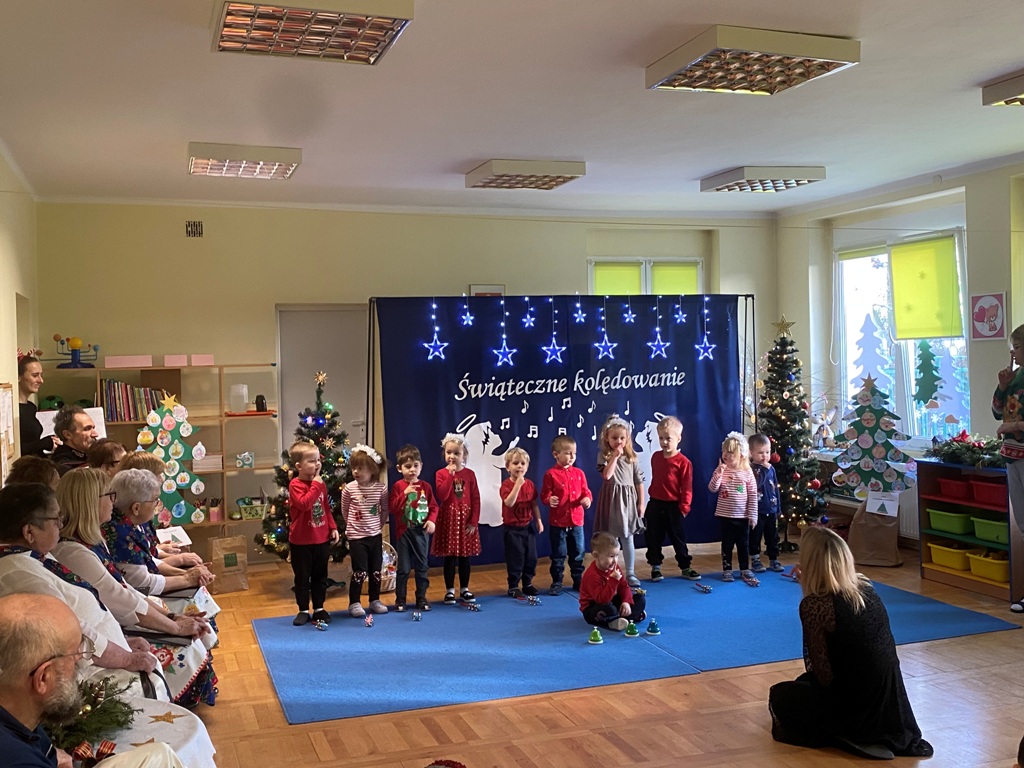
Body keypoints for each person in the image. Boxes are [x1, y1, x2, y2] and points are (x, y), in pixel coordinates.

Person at [52, 468, 217, 708]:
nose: (114, 501)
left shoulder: (91, 540)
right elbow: (121, 598)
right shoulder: (74, 551)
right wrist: (173, 624)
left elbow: (125, 587)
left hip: (116, 628)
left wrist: (172, 617)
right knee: (185, 648)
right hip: (107, 640)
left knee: (191, 629)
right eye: (109, 495)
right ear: (89, 502)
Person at [768, 525, 934, 760]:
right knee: (801, 686)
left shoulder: (815, 606)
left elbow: (822, 675)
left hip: (854, 699)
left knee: (782, 697)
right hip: (888, 699)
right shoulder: (865, 588)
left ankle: (850, 733)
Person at [0, 483, 163, 701]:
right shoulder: (18, 574)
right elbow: (73, 634)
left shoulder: (30, 557)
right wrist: (125, 658)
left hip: (105, 659)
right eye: (55, 519)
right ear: (29, 532)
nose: (60, 525)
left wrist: (121, 643)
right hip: (92, 679)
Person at [0, 593, 188, 768]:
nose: (79, 661)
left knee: (158, 754)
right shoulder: (19, 760)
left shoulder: (18, 716)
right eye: (74, 656)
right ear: (43, 678)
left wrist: (51, 754)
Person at [105, 470, 214, 595]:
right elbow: (143, 584)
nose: (157, 504)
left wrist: (187, 573)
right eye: (155, 500)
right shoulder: (121, 534)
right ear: (136, 508)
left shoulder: (125, 523)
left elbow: (147, 561)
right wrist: (188, 579)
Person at [286, 441, 340, 625]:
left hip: (321, 539)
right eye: (311, 461)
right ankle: (303, 609)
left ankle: (319, 608)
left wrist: (332, 527)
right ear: (299, 466)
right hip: (301, 541)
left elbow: (325, 507)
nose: (317, 464)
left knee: (320, 576)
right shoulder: (295, 484)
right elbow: (304, 504)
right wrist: (316, 484)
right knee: (302, 577)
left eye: (318, 460)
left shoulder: (320, 484)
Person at [993, 323, 1024, 613]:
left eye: (1017, 347)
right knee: (1023, 524)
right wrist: (1003, 387)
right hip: (1013, 456)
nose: (1013, 353)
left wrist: (1013, 426)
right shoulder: (1015, 377)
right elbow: (996, 411)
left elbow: (1010, 421)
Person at [645, 415, 699, 582]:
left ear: (678, 439)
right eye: (661, 438)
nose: (664, 442)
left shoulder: (684, 462)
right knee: (653, 537)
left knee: (678, 538)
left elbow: (687, 487)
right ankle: (655, 567)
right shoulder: (655, 457)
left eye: (668, 438)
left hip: (674, 506)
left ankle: (685, 566)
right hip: (655, 503)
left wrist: (684, 507)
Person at [594, 414, 646, 588]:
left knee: (627, 537)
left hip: (627, 501)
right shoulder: (604, 455)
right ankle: (611, 571)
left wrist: (641, 503)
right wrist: (614, 457)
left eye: (622, 438)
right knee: (611, 538)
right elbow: (607, 476)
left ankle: (630, 572)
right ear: (607, 438)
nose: (618, 441)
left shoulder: (632, 457)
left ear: (627, 438)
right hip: (611, 500)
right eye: (614, 438)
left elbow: (639, 481)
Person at [387, 444, 437, 612]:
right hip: (404, 533)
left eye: (416, 465)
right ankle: (400, 599)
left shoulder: (426, 487)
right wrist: (405, 494)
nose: (412, 470)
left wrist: (431, 521)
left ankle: (421, 597)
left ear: (421, 466)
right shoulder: (398, 486)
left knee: (422, 566)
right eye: (408, 466)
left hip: (421, 532)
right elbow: (393, 508)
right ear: (399, 468)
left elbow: (433, 507)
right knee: (403, 568)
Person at [540, 434, 592, 595]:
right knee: (558, 555)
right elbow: (544, 495)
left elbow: (586, 492)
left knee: (578, 553)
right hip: (558, 522)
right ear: (556, 455)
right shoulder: (550, 474)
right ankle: (557, 582)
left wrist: (587, 499)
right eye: (568, 453)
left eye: (574, 453)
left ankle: (578, 580)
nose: (572, 456)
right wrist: (549, 499)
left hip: (576, 521)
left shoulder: (579, 473)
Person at [340, 444, 389, 618]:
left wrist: (377, 526)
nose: (356, 471)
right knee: (360, 571)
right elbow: (345, 510)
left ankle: (374, 600)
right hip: (356, 537)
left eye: (360, 468)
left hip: (374, 535)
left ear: (372, 469)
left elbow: (384, 510)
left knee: (375, 570)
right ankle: (354, 602)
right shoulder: (349, 489)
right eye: (354, 468)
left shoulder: (381, 489)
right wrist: (353, 527)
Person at [432, 433, 481, 605]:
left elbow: (475, 499)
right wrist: (450, 476)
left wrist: (473, 521)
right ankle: (450, 590)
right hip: (449, 520)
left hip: (465, 521)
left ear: (464, 455)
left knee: (465, 557)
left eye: (456, 453)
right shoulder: (441, 473)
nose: (452, 456)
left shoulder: (470, 474)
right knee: (450, 557)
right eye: (449, 452)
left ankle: (465, 589)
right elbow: (442, 495)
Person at [708, 431, 758, 582]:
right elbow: (712, 488)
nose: (725, 455)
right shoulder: (722, 470)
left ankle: (744, 568)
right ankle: (727, 569)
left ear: (741, 455)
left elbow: (753, 494)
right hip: (725, 516)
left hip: (742, 517)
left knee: (743, 544)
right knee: (727, 545)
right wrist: (718, 473)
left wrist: (753, 515)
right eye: (724, 451)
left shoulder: (747, 472)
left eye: (730, 452)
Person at [578, 531, 646, 632]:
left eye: (617, 555)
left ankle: (622, 618)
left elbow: (624, 586)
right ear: (596, 555)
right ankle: (622, 619)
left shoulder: (614, 567)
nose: (615, 560)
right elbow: (602, 600)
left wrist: (626, 602)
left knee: (640, 598)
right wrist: (613, 580)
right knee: (607, 608)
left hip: (611, 600)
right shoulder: (592, 576)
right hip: (594, 606)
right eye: (611, 556)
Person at [500, 447, 544, 598]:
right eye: (515, 463)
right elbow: (509, 502)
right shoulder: (506, 485)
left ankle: (527, 583)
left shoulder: (530, 484)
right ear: (508, 467)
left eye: (523, 463)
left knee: (531, 557)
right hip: (512, 529)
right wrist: (517, 485)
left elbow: (534, 504)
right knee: (515, 558)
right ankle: (513, 586)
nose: (519, 466)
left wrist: (538, 520)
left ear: (527, 466)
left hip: (527, 527)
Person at [748, 433, 785, 574]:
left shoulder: (771, 468)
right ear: (751, 453)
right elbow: (757, 484)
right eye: (761, 453)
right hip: (757, 510)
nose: (765, 456)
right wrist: (764, 469)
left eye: (767, 452)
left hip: (771, 508)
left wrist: (778, 508)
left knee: (772, 536)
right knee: (755, 536)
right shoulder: (751, 468)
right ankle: (755, 559)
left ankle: (773, 558)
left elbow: (775, 488)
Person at [17, 354, 59, 458]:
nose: (41, 380)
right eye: (35, 375)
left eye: (41, 375)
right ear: (18, 377)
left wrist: (49, 441)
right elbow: (17, 449)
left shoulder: (31, 407)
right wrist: (43, 444)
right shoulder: (14, 410)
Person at [50, 405, 98, 476]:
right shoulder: (62, 465)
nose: (95, 434)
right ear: (67, 434)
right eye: (87, 429)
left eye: (93, 428)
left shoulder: (92, 454)